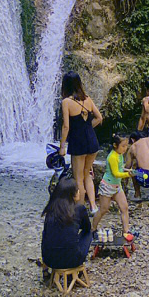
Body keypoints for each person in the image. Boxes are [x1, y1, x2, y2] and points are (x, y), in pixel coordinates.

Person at [59, 71, 102, 212]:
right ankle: (94, 206)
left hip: (78, 144)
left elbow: (66, 127)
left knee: (78, 179)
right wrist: (87, 128)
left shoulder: (66, 102)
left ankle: (80, 210)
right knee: (87, 175)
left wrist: (62, 147)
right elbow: (99, 118)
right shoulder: (88, 99)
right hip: (92, 141)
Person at [41, 176, 92, 270]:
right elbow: (87, 228)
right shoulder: (79, 208)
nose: (80, 192)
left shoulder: (51, 209)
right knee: (88, 233)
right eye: (77, 190)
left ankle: (44, 268)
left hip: (49, 260)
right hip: (72, 261)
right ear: (73, 194)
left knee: (47, 233)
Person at [92, 134, 135, 237]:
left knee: (124, 207)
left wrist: (127, 170)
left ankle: (126, 231)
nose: (125, 148)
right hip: (107, 186)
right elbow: (116, 173)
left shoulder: (119, 155)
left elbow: (120, 168)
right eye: (123, 146)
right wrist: (128, 174)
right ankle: (92, 228)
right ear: (115, 145)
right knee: (103, 209)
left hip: (116, 186)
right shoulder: (112, 157)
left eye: (126, 146)